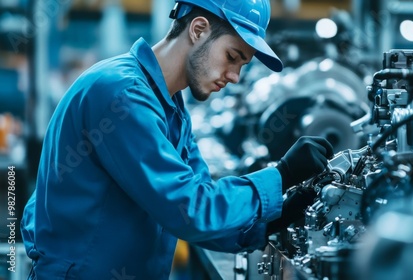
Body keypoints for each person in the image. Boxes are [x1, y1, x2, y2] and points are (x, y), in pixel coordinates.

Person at [21, 0, 334, 278]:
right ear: (198, 29)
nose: (235, 76)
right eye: (232, 56)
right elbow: (189, 209)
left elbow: (203, 204)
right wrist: (281, 176)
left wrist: (275, 217)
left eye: (242, 64)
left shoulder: (171, 109)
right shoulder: (122, 94)